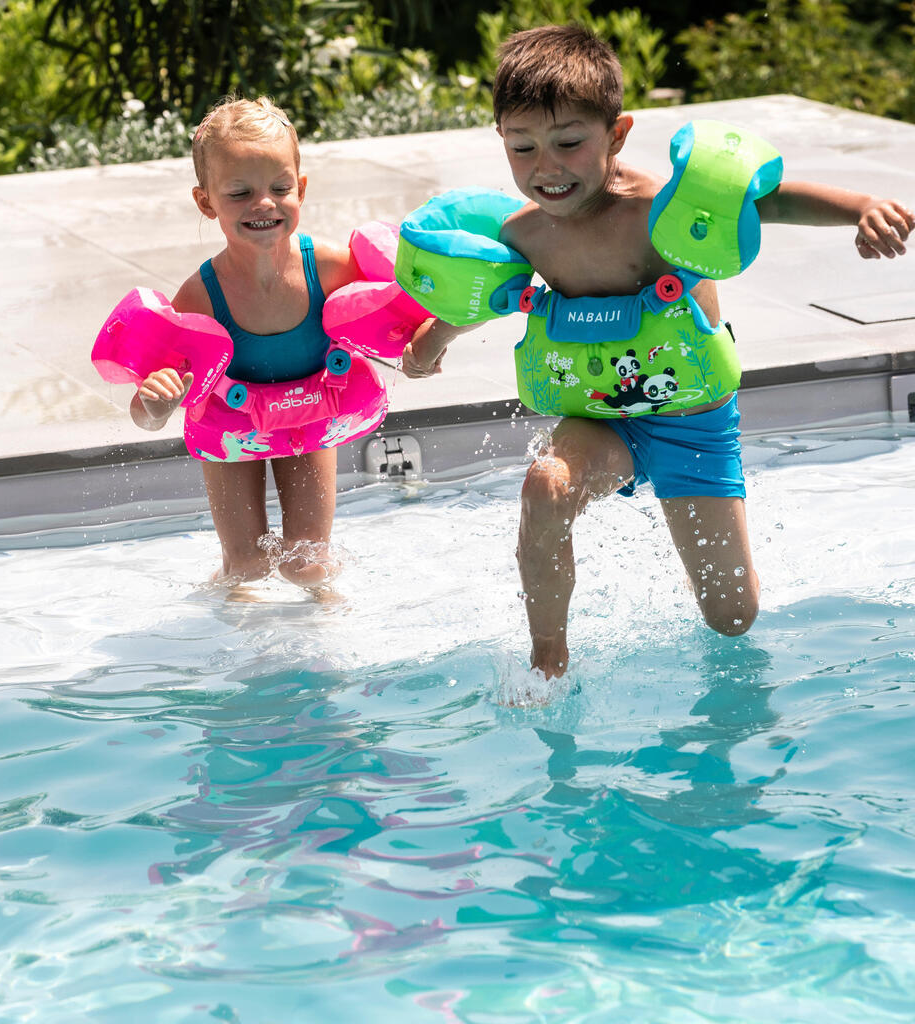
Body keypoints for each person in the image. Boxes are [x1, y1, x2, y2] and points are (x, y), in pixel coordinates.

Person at [402, 24, 913, 680]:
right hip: (599, 416)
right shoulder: (526, 234)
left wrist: (865, 208)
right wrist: (433, 341)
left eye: (569, 143)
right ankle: (548, 663)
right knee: (545, 488)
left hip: (691, 420)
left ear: (616, 135)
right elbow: (487, 295)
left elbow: (768, 199)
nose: (546, 169)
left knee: (732, 619)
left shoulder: (662, 214)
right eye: (522, 147)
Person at [130, 96, 360, 593]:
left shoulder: (331, 268)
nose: (264, 204)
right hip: (231, 425)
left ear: (301, 188)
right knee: (248, 565)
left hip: (307, 411)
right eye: (240, 193)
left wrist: (427, 344)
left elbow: (391, 324)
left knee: (308, 564)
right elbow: (145, 414)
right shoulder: (199, 298)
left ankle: (332, 625)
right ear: (205, 201)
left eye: (280, 188)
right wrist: (157, 401)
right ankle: (221, 611)